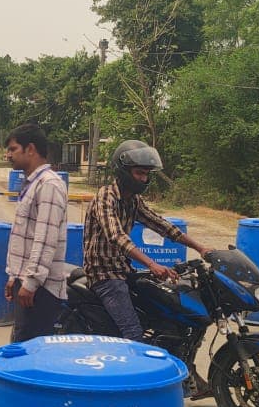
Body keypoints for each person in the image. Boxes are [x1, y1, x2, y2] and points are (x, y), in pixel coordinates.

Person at [83, 140, 213, 342]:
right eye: (139, 173)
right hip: (103, 274)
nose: (143, 179)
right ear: (124, 171)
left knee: (162, 310)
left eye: (146, 174)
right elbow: (116, 236)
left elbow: (161, 225)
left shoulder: (133, 200)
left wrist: (201, 248)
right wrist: (152, 264)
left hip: (123, 270)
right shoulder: (105, 196)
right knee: (133, 334)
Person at [2, 124, 68, 342]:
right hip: (30, 281)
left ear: (30, 149)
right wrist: (15, 276)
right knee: (21, 348)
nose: (8, 155)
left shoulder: (49, 184)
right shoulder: (33, 183)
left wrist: (30, 283)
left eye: (12, 149)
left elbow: (45, 239)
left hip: (41, 289)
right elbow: (26, 235)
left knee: (30, 354)